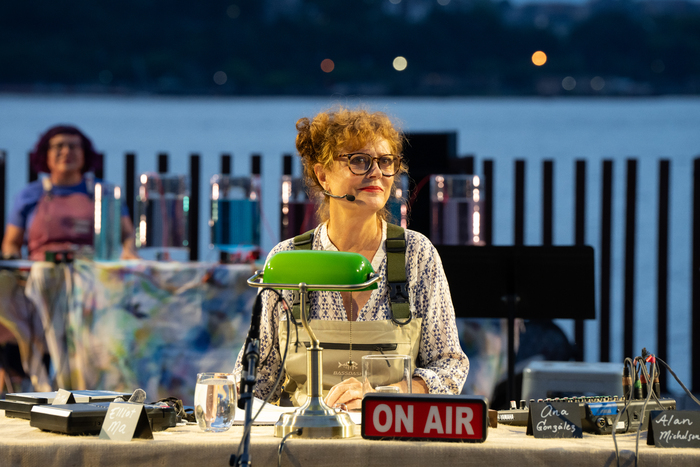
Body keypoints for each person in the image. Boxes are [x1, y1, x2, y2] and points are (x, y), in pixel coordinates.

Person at [234, 106, 468, 410]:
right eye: (359, 160)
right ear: (323, 175)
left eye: (386, 162)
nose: (376, 172)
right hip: (304, 442)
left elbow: (449, 369)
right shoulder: (288, 259)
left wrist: (382, 396)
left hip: (390, 439)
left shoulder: (416, 255)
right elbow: (256, 380)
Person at [1, 125, 138, 260]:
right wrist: (13, 262)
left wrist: (129, 251)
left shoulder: (105, 192)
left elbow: (127, 235)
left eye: (73, 147)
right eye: (59, 146)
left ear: (84, 153)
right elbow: (11, 243)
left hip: (95, 273)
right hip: (42, 272)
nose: (66, 152)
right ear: (46, 154)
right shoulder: (29, 194)